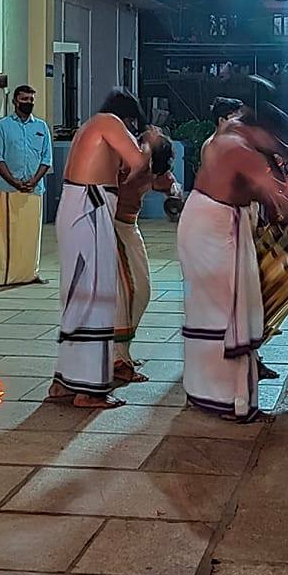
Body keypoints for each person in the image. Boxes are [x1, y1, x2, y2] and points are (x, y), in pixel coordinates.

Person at [179, 106, 288, 422]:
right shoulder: (239, 149)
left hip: (217, 221)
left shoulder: (233, 130)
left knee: (223, 308)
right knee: (224, 311)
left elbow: (273, 152)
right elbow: (276, 198)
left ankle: (212, 393)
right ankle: (226, 399)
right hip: (212, 227)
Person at [49, 88, 150, 410]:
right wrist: (152, 143)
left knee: (80, 296)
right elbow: (138, 162)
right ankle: (89, 390)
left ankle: (64, 382)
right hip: (90, 208)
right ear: (129, 117)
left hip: (80, 205)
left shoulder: (91, 126)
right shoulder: (109, 122)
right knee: (97, 296)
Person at [112, 128, 180, 385]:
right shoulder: (126, 157)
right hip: (112, 225)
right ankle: (117, 359)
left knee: (142, 291)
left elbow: (169, 185)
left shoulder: (150, 166)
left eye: (157, 134)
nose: (153, 129)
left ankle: (122, 350)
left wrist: (173, 191)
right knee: (128, 291)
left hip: (130, 227)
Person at [0, 84, 52, 287]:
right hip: (9, 190)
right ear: (15, 101)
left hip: (35, 190)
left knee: (31, 235)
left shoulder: (41, 127)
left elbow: (46, 159)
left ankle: (30, 273)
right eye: (24, 99)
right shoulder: (2, 127)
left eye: (31, 100)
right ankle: (4, 276)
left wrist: (34, 181)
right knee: (9, 235)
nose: (28, 103)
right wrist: (14, 182)